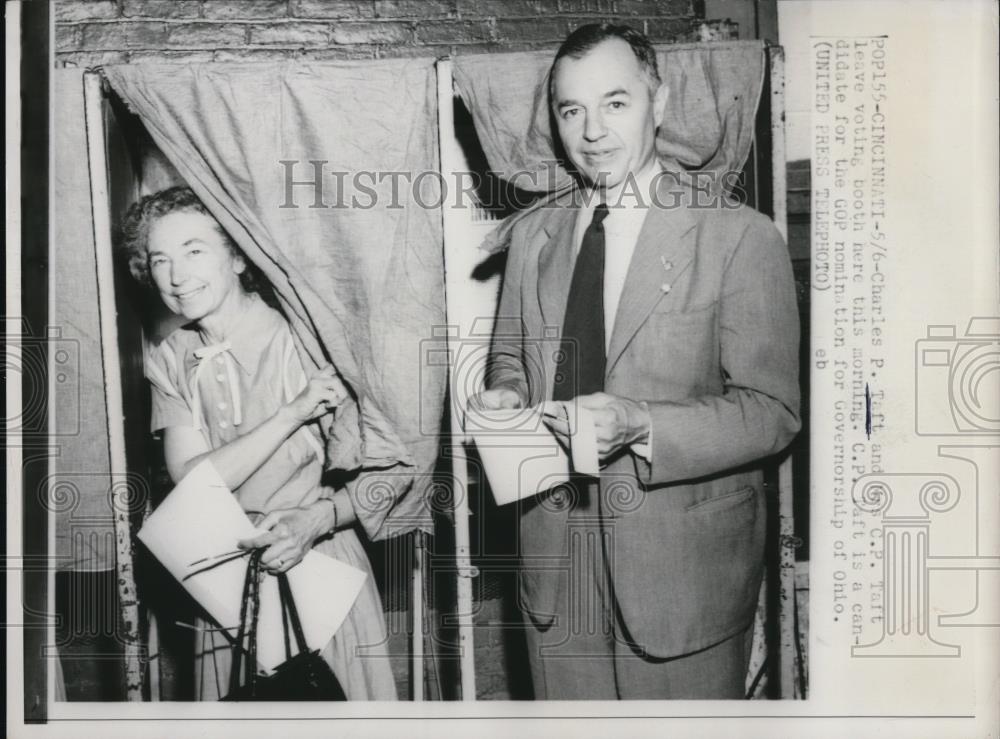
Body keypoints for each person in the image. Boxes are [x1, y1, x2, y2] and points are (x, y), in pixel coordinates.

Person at [471, 24, 801, 699]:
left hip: (682, 578)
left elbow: (773, 413)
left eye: (615, 103)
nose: (592, 131)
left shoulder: (739, 236)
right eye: (571, 110)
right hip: (555, 563)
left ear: (660, 100)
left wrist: (641, 423)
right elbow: (510, 358)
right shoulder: (534, 235)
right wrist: (504, 395)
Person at [122, 186, 397, 700]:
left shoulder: (304, 335)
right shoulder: (170, 357)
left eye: (194, 250)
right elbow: (193, 480)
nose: (177, 276)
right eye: (160, 259)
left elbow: (388, 472)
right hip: (225, 576)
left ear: (238, 255)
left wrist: (314, 517)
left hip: (318, 562)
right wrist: (290, 414)